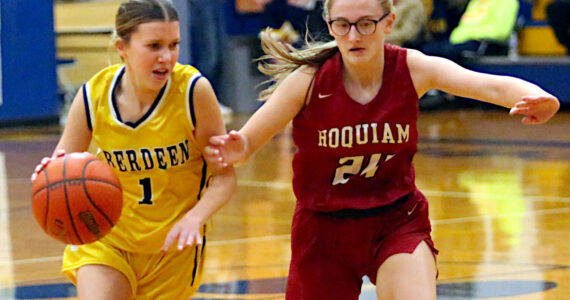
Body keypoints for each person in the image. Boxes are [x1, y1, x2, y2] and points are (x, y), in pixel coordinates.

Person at [204, 0, 560, 298]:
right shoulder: (310, 80)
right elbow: (249, 140)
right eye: (342, 25)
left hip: (395, 219)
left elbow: (489, 86)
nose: (354, 35)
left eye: (365, 24)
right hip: (323, 230)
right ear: (329, 25)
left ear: (389, 22)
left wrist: (537, 97)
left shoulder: (411, 67)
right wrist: (238, 147)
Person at [31, 0, 236, 299]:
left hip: (171, 248)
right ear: (121, 47)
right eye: (154, 46)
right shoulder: (92, 96)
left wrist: (195, 218)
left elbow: (224, 176)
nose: (167, 56)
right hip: (107, 239)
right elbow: (61, 166)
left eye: (173, 44)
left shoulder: (193, 92)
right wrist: (48, 177)